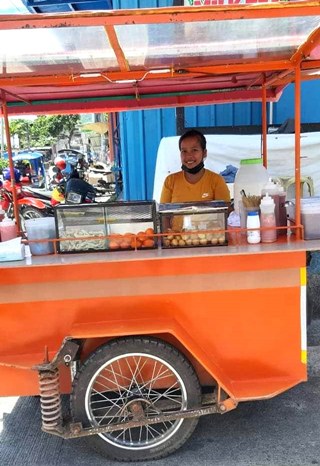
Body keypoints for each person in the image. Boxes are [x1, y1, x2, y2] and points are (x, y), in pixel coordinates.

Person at [160, 129, 231, 204]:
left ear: (204, 153)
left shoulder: (217, 181)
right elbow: (163, 214)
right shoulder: (170, 181)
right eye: (184, 151)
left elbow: (226, 213)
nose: (189, 155)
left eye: (194, 150)